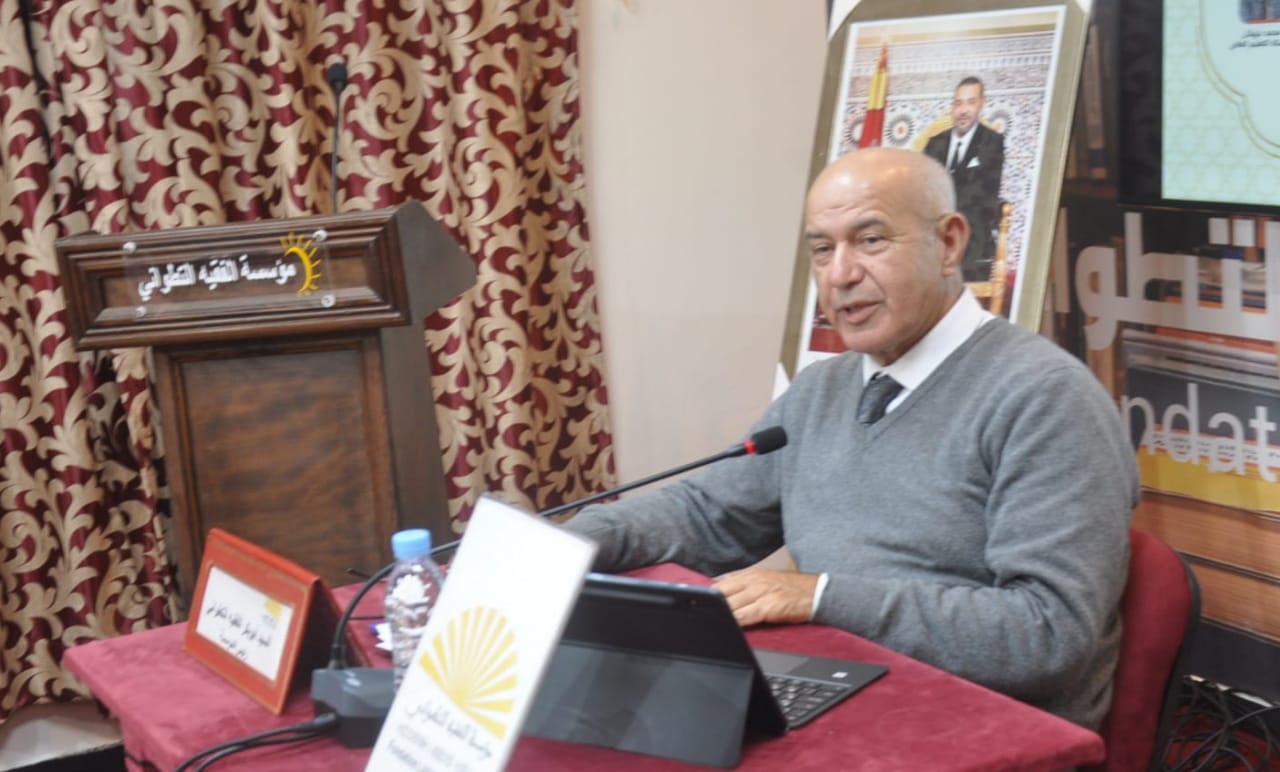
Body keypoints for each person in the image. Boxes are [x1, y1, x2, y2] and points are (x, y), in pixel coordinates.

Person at [563, 147, 1137, 730]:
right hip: (841, 687)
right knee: (598, 723)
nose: (839, 275)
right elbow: (709, 517)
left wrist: (817, 596)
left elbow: (1047, 634)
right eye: (822, 249)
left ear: (949, 244)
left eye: (870, 240)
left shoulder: (1046, 398)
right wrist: (574, 543)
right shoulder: (823, 388)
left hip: (984, 729)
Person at [923, 76, 1005, 283]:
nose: (963, 110)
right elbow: (924, 190)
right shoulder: (934, 144)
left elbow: (982, 193)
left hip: (973, 236)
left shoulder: (992, 142)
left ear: (982, 104)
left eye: (971, 102)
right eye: (958, 103)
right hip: (936, 235)